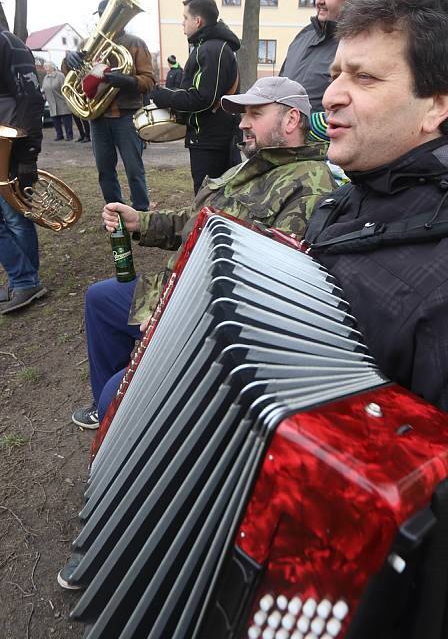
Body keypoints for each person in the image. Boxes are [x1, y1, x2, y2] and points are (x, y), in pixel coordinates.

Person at [305, 0, 448, 638]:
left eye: (365, 78)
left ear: (437, 102)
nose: (332, 93)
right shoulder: (354, 199)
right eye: (335, 71)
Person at [68, 77, 335, 433]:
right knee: (100, 299)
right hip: (172, 293)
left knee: (114, 398)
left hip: (204, 321)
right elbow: (195, 225)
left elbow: (264, 290)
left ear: (290, 121)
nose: (242, 123)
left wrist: (173, 313)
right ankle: (111, 414)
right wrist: (140, 222)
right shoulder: (248, 166)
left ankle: (118, 420)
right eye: (243, 114)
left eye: (255, 113)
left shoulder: (309, 186)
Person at [63, 0, 155, 211]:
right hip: (98, 117)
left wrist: (128, 81)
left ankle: (141, 213)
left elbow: (149, 81)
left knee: (134, 169)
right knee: (104, 170)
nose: (107, 19)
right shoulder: (88, 43)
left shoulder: (135, 43)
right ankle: (115, 212)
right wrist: (70, 59)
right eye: (103, 15)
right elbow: (72, 74)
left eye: (112, 14)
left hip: (126, 116)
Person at [151, 0, 240, 194]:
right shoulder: (209, 47)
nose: (182, 23)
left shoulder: (211, 49)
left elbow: (203, 98)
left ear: (197, 21)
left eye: (185, 18)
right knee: (214, 198)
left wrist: (163, 96)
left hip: (211, 141)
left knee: (206, 199)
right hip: (211, 139)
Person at [280, 0, 365, 141]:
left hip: (326, 155)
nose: (319, 0)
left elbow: (358, 110)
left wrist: (307, 126)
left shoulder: (359, 44)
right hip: (284, 148)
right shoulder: (303, 37)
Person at [0, 27, 47, 314]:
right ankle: (23, 280)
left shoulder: (7, 43)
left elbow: (32, 98)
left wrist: (29, 154)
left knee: (15, 218)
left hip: (10, 148)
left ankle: (25, 281)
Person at [41, 63, 74, 141]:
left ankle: (69, 136)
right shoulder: (46, 77)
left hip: (62, 101)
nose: (45, 68)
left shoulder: (60, 76)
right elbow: (44, 89)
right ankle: (59, 135)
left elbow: (65, 88)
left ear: (52, 67)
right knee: (55, 121)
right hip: (52, 103)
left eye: (46, 67)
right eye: (45, 67)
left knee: (66, 119)